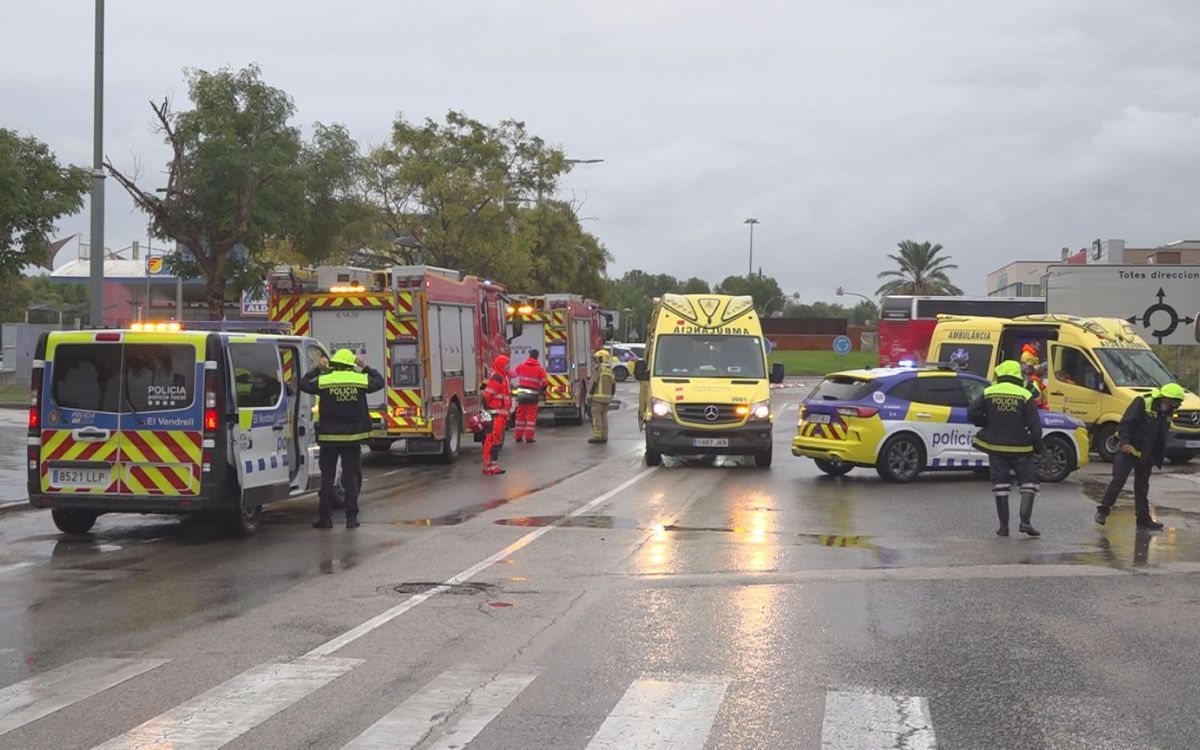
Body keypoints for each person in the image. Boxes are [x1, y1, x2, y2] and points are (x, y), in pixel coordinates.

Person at [300, 348, 384, 529]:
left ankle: (325, 518)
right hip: (352, 438)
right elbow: (380, 382)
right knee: (350, 477)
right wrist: (365, 366)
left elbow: (303, 384)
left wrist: (317, 368)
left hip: (329, 438)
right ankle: (351, 519)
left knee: (327, 478)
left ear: (334, 364)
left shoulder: (325, 380)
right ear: (350, 365)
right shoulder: (359, 379)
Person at [1094, 383, 1187, 530]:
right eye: (1174, 402)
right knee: (1118, 481)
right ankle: (1102, 511)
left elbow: (1160, 433)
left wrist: (1158, 455)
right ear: (1165, 397)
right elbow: (1126, 423)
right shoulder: (1143, 402)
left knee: (1142, 487)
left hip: (1146, 453)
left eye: (1177, 403)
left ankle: (1143, 521)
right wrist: (1125, 443)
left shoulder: (1167, 410)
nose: (1175, 406)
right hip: (1129, 449)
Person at [969, 359, 1044, 537]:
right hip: (1020, 448)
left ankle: (1003, 527)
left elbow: (972, 413)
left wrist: (986, 422)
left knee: (1000, 484)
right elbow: (1035, 426)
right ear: (1017, 375)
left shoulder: (989, 392)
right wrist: (1037, 448)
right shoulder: (1025, 395)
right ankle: (1025, 522)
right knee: (1029, 482)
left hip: (995, 446)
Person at [481, 354, 512, 475]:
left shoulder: (502, 377)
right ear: (501, 366)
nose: (508, 367)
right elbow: (487, 396)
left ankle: (491, 466)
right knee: (492, 441)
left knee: (494, 441)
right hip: (495, 415)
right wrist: (489, 410)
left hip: (498, 415)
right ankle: (490, 466)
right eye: (507, 365)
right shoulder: (498, 378)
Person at [513, 349, 549, 443]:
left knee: (520, 416)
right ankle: (529, 438)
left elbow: (513, 374)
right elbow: (545, 383)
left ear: (529, 355)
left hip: (521, 395)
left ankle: (518, 437)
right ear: (537, 356)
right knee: (531, 418)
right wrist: (541, 392)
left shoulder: (521, 366)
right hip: (533, 396)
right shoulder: (540, 369)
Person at [588, 349, 615, 444]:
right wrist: (610, 397)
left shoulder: (598, 369)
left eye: (597, 359)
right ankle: (604, 436)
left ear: (601, 359)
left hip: (597, 398)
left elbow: (594, 383)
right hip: (606, 399)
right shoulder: (610, 370)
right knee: (604, 417)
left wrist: (589, 395)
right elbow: (613, 386)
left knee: (596, 417)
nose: (595, 361)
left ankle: (597, 436)